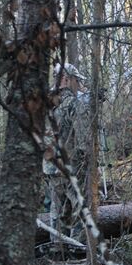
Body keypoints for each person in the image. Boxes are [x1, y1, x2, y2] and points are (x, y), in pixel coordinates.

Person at [43, 63, 90, 241]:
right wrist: (86, 161)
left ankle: (57, 251)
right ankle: (77, 252)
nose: (79, 84)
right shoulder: (73, 104)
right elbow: (83, 138)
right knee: (78, 208)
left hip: (51, 168)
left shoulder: (46, 103)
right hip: (71, 167)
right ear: (66, 79)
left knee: (58, 210)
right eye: (77, 80)